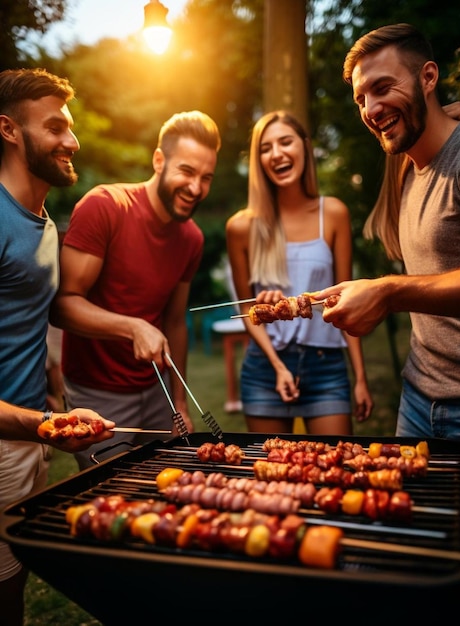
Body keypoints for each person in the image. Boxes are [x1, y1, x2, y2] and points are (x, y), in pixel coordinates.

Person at [313, 23, 460, 442]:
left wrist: (387, 292)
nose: (370, 108)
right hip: (417, 397)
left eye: (383, 87)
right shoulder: (404, 165)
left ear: (429, 77)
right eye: (361, 98)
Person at [0, 67, 115, 626]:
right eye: (55, 127)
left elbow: (31, 326)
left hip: (30, 433)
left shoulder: (44, 224)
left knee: (14, 586)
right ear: (9, 130)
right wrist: (38, 425)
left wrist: (57, 415)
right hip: (5, 438)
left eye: (69, 127)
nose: (72, 141)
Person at [50, 110, 221, 470]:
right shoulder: (105, 207)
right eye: (187, 172)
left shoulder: (191, 238)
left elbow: (175, 322)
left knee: (167, 492)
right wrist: (134, 327)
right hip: (98, 394)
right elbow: (62, 306)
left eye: (206, 178)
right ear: (159, 160)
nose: (196, 188)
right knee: (111, 502)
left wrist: (179, 402)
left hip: (157, 392)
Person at [225, 110, 373, 435]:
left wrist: (360, 378)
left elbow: (344, 301)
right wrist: (278, 365)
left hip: (326, 366)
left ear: (304, 146)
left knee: (334, 469)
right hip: (265, 368)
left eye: (285, 142)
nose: (276, 153)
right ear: (259, 160)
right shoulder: (241, 226)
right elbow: (245, 311)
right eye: (265, 148)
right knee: (272, 479)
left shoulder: (333, 213)